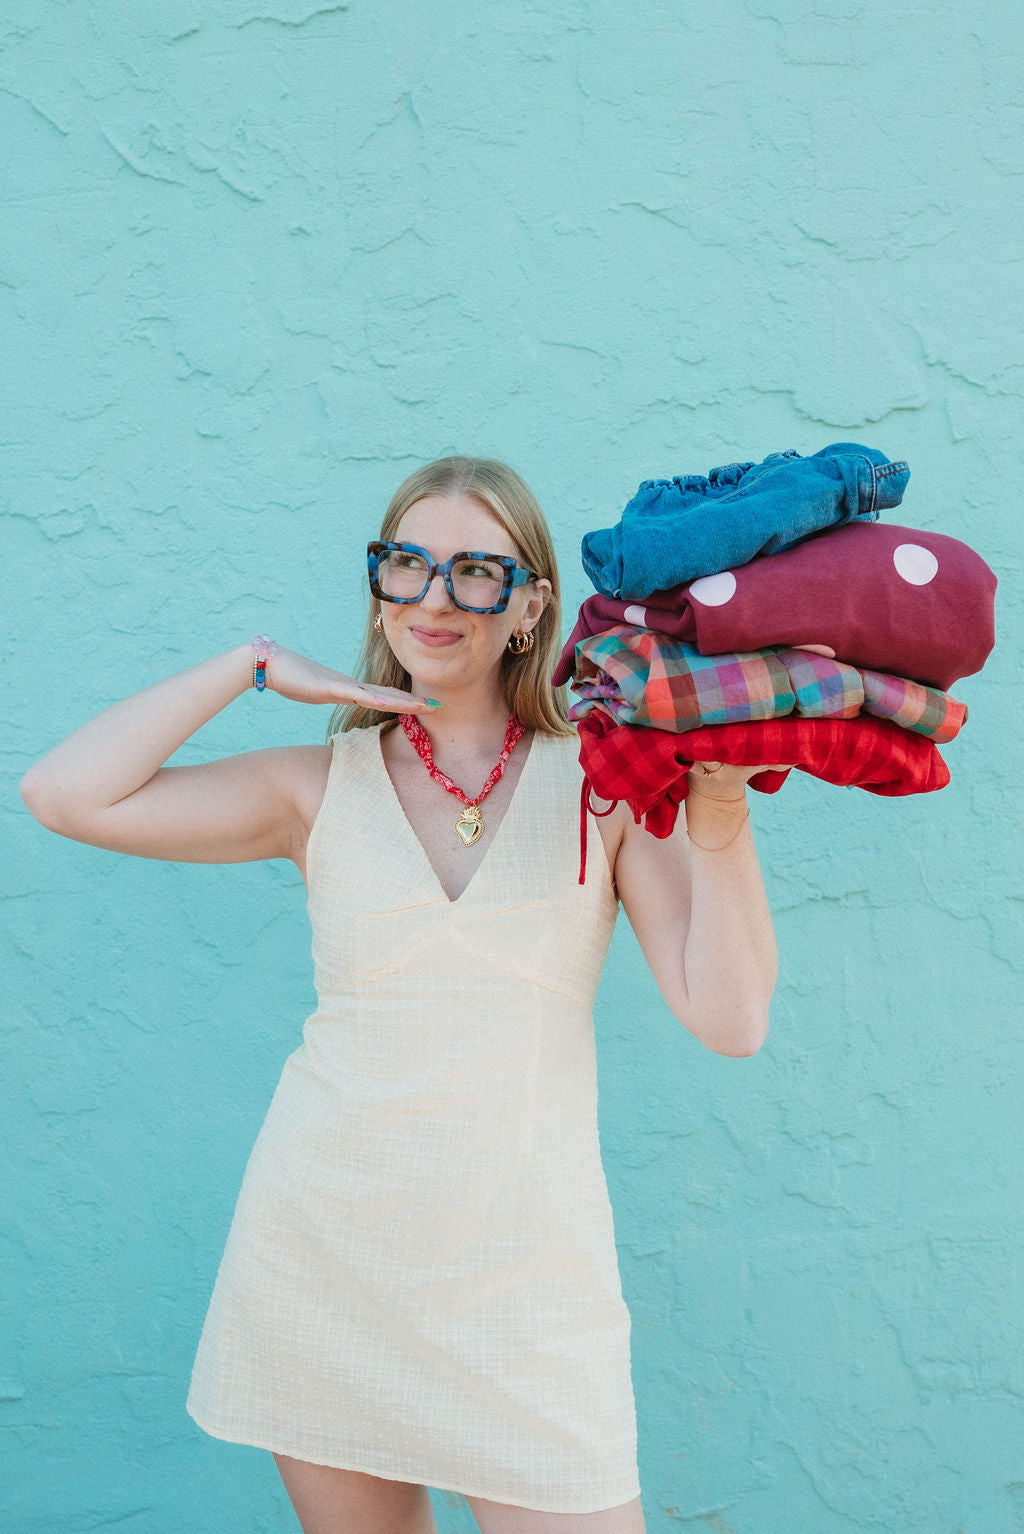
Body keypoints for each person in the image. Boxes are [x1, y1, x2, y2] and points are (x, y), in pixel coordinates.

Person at [20, 456, 779, 1534]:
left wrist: (719, 803)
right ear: (378, 586)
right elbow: (62, 792)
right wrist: (253, 665)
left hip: (527, 1283)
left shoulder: (602, 784)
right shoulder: (315, 786)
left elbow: (730, 1016)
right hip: (326, 1259)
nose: (433, 597)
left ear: (529, 605)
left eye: (476, 572)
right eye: (407, 564)